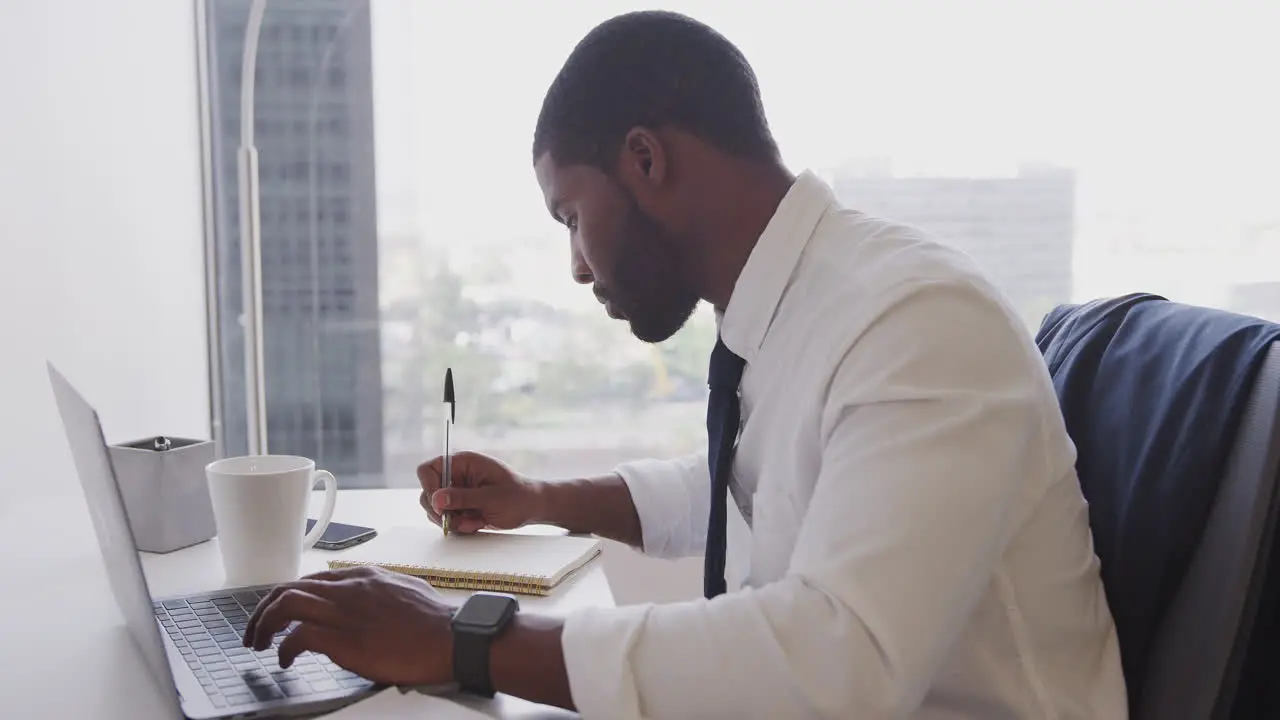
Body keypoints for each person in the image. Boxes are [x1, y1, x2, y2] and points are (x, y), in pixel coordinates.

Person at [243, 10, 1129, 718]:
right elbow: (742, 484)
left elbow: (843, 658)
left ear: (645, 159)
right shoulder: (796, 305)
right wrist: (545, 503)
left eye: (572, 220)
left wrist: (461, 637)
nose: (579, 266)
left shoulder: (915, 317)